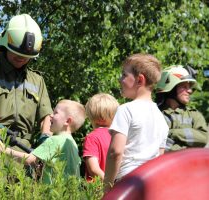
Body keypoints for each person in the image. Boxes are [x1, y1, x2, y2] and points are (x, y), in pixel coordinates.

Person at [0, 14, 53, 158]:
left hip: (23, 155)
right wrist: (1, 130)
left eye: (26, 56)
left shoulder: (37, 80)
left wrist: (45, 138)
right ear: (5, 44)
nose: (21, 58)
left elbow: (47, 116)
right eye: (16, 52)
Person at [103, 53, 169, 192]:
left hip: (128, 183)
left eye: (124, 75)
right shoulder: (161, 118)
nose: (120, 79)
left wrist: (107, 188)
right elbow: (160, 157)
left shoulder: (126, 110)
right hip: (151, 184)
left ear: (140, 80)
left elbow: (115, 152)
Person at [0, 100, 86, 184]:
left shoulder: (54, 140)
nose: (51, 115)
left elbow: (30, 160)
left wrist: (4, 149)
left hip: (53, 193)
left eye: (56, 113)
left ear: (67, 121)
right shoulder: (72, 143)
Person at [155, 65, 209, 151]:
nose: (190, 91)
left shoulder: (194, 115)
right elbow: (156, 148)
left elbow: (203, 139)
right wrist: (186, 147)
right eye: (184, 87)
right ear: (171, 88)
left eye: (189, 87)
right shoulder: (155, 114)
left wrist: (172, 133)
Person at [82, 93, 119, 182]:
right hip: (120, 190)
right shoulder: (119, 136)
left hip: (99, 191)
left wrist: (109, 184)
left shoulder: (92, 138)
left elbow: (93, 169)